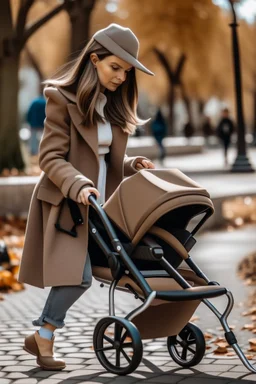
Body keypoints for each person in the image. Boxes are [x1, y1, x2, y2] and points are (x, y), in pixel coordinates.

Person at [18, 24, 155, 370]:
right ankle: (44, 337)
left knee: (129, 264)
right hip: (67, 206)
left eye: (126, 71)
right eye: (115, 67)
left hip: (100, 206)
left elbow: (103, 158)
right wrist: (76, 182)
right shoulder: (60, 100)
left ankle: (43, 336)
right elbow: (50, 158)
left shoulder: (112, 106)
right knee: (77, 275)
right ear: (94, 59)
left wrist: (131, 163)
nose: (122, 76)